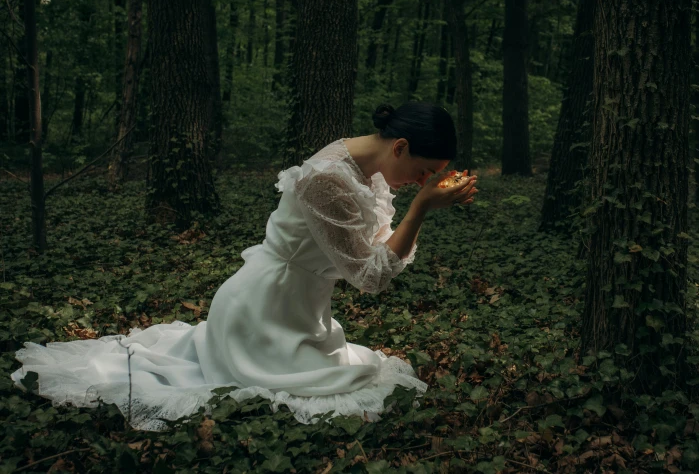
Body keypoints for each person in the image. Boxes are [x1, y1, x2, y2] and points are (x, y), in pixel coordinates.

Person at [11, 102, 478, 431]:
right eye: (423, 170)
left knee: (349, 374)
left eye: (431, 177)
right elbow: (370, 277)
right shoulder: (328, 180)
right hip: (261, 309)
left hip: (300, 310)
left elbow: (372, 244)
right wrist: (419, 209)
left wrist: (417, 202)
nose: (424, 181)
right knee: (321, 389)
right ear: (399, 146)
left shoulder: (364, 167)